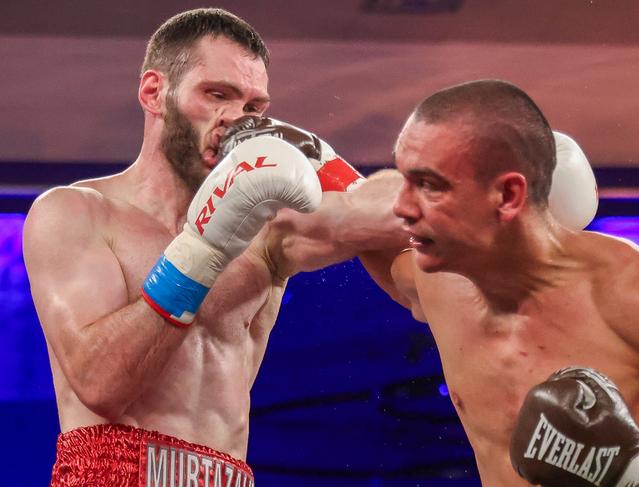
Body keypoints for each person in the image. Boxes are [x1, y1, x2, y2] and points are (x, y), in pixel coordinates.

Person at [22, 8, 405, 486]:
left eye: (253, 107)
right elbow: (100, 384)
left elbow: (399, 216)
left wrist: (326, 163)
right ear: (154, 92)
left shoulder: (268, 231)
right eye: (217, 94)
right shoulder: (77, 214)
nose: (235, 119)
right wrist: (205, 245)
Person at [361, 79, 639, 486]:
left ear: (509, 195)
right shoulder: (438, 282)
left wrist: (636, 474)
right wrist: (312, 163)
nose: (402, 207)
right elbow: (376, 251)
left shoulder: (634, 297)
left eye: (429, 185)